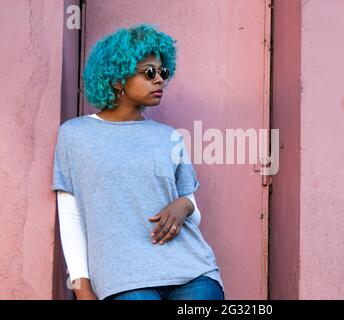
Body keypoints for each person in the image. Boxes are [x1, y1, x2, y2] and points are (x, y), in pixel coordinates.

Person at [52, 23, 224, 300]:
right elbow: (71, 214)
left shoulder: (169, 137)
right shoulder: (75, 134)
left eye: (162, 73)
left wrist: (184, 205)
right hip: (123, 279)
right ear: (117, 78)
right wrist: (81, 286)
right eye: (149, 73)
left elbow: (191, 205)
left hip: (193, 271)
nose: (159, 80)